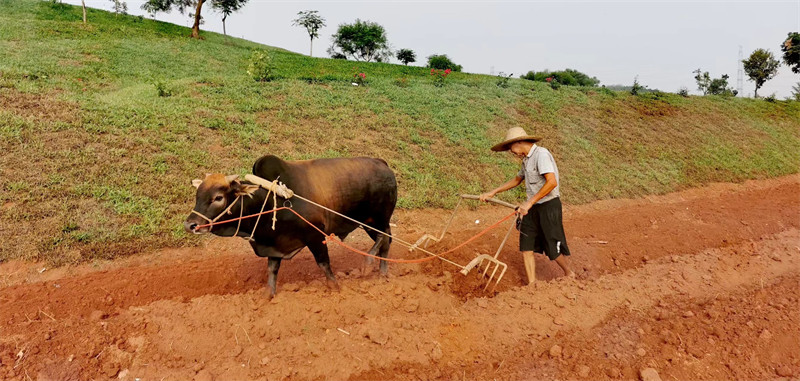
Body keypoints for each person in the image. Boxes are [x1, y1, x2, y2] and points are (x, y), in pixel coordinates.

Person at [480, 127, 575, 284]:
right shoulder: (526, 160)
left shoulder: (541, 155)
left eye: (512, 149)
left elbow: (552, 182)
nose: (513, 153)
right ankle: (532, 285)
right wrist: (493, 192)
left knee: (552, 245)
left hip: (548, 205)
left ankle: (569, 273)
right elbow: (517, 180)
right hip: (531, 207)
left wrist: (529, 202)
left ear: (519, 142)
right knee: (526, 245)